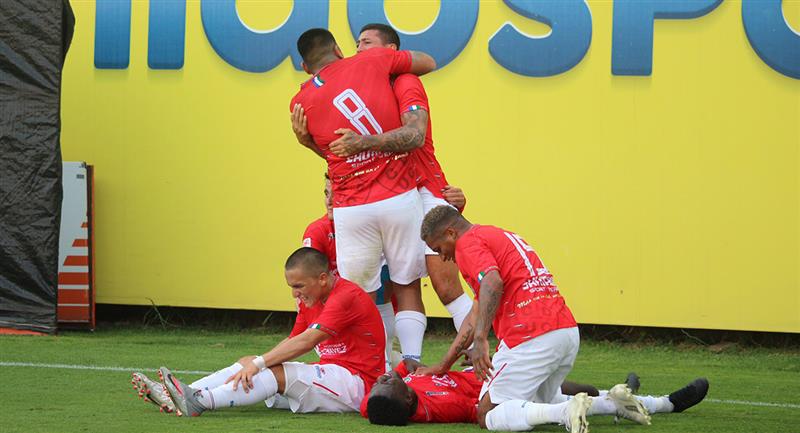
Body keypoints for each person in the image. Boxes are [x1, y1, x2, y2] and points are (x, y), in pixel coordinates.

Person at [290, 28, 435, 362]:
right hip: (397, 195)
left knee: (359, 295)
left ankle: (373, 367)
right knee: (407, 285)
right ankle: (411, 364)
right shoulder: (373, 59)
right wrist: (389, 68)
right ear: (339, 49)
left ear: (304, 67)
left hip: (351, 207)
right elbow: (427, 62)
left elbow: (334, 157)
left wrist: (306, 142)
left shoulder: (299, 102)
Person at [419, 205, 629, 432]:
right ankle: (624, 403)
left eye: (439, 248)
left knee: (487, 413)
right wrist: (443, 365)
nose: (442, 256)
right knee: (536, 405)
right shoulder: (494, 234)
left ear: (451, 233)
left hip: (530, 335)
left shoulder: (467, 244)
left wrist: (480, 339)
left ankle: (567, 412)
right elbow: (474, 315)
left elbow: (492, 282)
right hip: (565, 331)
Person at [131, 248, 386, 417]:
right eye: (291, 286)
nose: (294, 293)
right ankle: (177, 394)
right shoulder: (311, 299)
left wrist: (260, 364)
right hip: (334, 375)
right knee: (249, 361)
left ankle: (200, 402)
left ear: (322, 278)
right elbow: (293, 340)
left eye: (299, 286)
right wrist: (255, 362)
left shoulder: (345, 296)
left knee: (270, 370)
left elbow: (307, 341)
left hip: (358, 384)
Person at [301, 174, 466, 369]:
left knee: (431, 289)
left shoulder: (386, 201)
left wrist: (447, 200)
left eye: (336, 193)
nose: (330, 200)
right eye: (326, 193)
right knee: (363, 296)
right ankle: (385, 365)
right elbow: (306, 286)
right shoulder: (319, 230)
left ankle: (406, 364)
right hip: (338, 318)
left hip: (386, 315)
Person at [362, 360, 709, 427]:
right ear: (407, 400)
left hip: (486, 375)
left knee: (578, 390)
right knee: (568, 393)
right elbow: (481, 411)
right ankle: (665, 404)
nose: (383, 377)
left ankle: (623, 396)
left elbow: (404, 368)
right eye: (386, 382)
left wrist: (413, 367)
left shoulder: (378, 402)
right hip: (499, 387)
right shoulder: (440, 407)